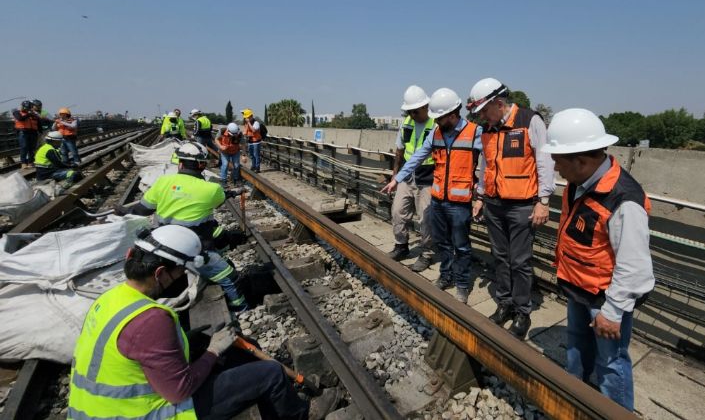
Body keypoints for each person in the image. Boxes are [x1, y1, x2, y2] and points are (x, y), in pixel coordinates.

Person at [66, 225, 340, 420]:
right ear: (161, 273)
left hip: (102, 411)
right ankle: (302, 415)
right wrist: (212, 352)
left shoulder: (110, 299)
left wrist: (208, 348)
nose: (184, 277)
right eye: (181, 271)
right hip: (149, 413)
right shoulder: (151, 320)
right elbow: (178, 390)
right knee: (270, 374)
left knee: (235, 349)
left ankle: (277, 400)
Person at [541, 108, 654, 411]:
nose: (556, 169)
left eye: (559, 162)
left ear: (580, 160)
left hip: (604, 300)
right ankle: (576, 399)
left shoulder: (623, 200)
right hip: (578, 286)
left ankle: (613, 412)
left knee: (611, 363)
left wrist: (613, 311)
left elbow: (635, 266)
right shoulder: (581, 182)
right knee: (577, 344)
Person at [467, 77, 555, 339]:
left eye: (484, 111)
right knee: (501, 257)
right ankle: (504, 302)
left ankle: (522, 310)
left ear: (499, 103)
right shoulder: (487, 130)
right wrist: (480, 197)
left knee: (520, 261)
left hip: (522, 206)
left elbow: (545, 162)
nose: (482, 116)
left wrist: (544, 201)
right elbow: (485, 167)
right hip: (494, 204)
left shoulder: (529, 121)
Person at [118, 141, 248, 312]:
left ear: (179, 163)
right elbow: (220, 198)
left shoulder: (162, 182)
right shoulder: (211, 189)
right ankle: (240, 309)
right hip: (191, 249)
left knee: (217, 234)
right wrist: (234, 192)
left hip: (160, 245)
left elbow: (142, 209)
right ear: (202, 165)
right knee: (229, 277)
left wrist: (123, 210)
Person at [382, 88, 482, 304]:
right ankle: (445, 276)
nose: (436, 121)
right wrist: (397, 179)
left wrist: (480, 196)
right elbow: (417, 157)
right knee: (443, 243)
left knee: (462, 246)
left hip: (460, 202)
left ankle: (463, 285)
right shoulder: (436, 133)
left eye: (440, 117)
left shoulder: (475, 133)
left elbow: (488, 166)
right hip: (438, 198)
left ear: (452, 115)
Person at [387, 85, 436, 270]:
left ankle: (426, 253)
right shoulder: (407, 122)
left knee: (426, 218)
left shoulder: (435, 124)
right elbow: (399, 150)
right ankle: (401, 246)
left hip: (427, 178)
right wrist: (395, 175)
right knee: (398, 211)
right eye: (409, 111)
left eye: (415, 111)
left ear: (425, 106)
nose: (412, 115)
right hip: (406, 176)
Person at [12, 100, 39, 168]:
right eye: (26, 107)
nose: (26, 109)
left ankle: (31, 162)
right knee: (24, 147)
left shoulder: (32, 113)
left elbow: (38, 121)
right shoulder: (16, 112)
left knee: (32, 148)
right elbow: (20, 118)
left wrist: (33, 114)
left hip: (32, 132)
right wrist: (29, 114)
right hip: (23, 132)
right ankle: (23, 163)